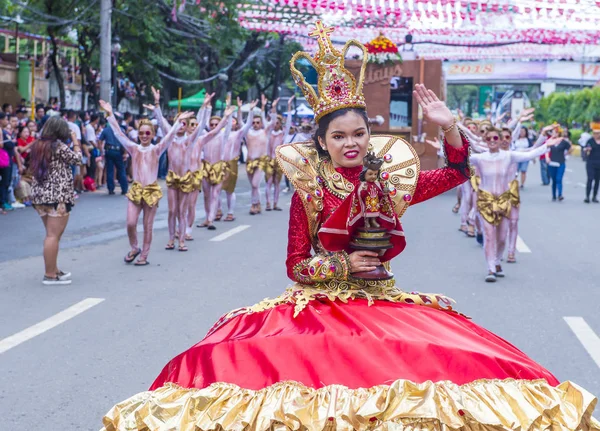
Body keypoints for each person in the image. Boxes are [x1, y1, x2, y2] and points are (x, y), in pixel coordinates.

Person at [101, 24, 597, 431]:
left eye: (359, 133)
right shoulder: (309, 189)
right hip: (321, 306)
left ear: (369, 134)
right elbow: (296, 264)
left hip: (381, 300)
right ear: (323, 142)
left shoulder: (391, 180)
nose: (352, 142)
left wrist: (448, 127)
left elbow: (455, 174)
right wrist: (343, 262)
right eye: (339, 136)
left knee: (424, 383)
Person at [100, 99, 194, 265]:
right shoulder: (133, 148)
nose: (144, 136)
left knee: (147, 226)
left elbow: (170, 135)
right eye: (141, 133)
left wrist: (178, 122)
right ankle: (134, 248)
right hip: (136, 190)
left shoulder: (157, 149)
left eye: (147, 133)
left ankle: (144, 255)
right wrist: (110, 114)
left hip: (151, 192)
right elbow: (119, 134)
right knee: (130, 223)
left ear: (152, 135)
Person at [470, 128, 557, 282]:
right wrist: (441, 150)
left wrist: (546, 145)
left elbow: (529, 154)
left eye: (495, 137)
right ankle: (490, 268)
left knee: (502, 237)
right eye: (488, 138)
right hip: (485, 200)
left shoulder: (509, 156)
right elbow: (459, 159)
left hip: (504, 199)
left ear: (499, 140)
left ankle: (497, 261)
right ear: (485, 140)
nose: (492, 140)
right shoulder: (480, 158)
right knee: (489, 236)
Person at [29, 117, 82, 285]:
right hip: (57, 196)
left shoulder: (37, 145)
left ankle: (54, 269)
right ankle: (50, 275)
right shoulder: (58, 146)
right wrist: (75, 141)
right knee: (53, 235)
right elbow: (77, 159)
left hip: (40, 195)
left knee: (52, 235)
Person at [219, 97, 257, 222]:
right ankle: (218, 210)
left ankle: (230, 212)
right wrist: (228, 109)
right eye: (231, 120)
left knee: (230, 190)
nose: (232, 122)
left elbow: (247, 124)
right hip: (220, 164)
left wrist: (250, 111)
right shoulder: (221, 133)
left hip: (232, 163)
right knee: (217, 189)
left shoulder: (239, 134)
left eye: (234, 121)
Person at [246, 94, 277, 215]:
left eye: (258, 122)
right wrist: (251, 110)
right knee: (254, 186)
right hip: (249, 161)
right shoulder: (248, 132)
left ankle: (254, 204)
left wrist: (271, 108)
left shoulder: (265, 132)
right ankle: (257, 204)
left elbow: (273, 122)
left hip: (261, 161)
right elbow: (241, 122)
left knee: (255, 184)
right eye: (253, 122)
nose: (255, 124)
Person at [265, 96, 294, 211]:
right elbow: (271, 120)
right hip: (268, 160)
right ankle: (267, 203)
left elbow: (288, 122)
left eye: (278, 123)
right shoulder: (268, 133)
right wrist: (273, 108)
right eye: (274, 123)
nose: (275, 124)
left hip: (278, 161)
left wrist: (288, 106)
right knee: (269, 182)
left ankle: (275, 204)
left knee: (277, 183)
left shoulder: (283, 134)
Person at [99, 112, 128, 195]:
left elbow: (100, 140)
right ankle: (124, 189)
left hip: (109, 151)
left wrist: (101, 151)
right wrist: (125, 153)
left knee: (110, 170)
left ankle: (111, 189)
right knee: (121, 170)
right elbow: (125, 142)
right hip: (118, 151)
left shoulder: (106, 129)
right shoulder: (121, 130)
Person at [546, 126, 572, 202]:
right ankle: (554, 195)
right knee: (553, 180)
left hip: (561, 162)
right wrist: (547, 157)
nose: (554, 134)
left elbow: (570, 148)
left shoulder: (563, 142)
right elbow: (546, 150)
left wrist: (566, 154)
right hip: (552, 162)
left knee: (559, 179)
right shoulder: (550, 141)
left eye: (556, 132)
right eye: (553, 132)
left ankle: (560, 194)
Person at [584, 120, 600, 203]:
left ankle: (594, 196)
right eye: (595, 133)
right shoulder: (590, 141)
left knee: (597, 180)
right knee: (590, 179)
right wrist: (587, 150)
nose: (596, 135)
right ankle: (587, 196)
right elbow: (586, 150)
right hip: (591, 162)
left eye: (598, 133)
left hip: (599, 163)